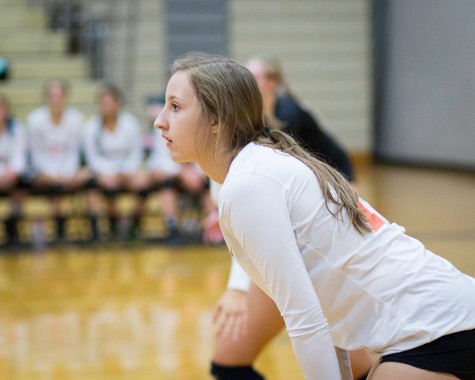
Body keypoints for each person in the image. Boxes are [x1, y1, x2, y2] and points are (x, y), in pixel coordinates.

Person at [154, 52, 475, 379]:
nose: (160, 120)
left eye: (176, 107)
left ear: (216, 119)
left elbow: (305, 319)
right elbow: (321, 312)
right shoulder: (249, 171)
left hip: (443, 329)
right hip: (443, 321)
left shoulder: (248, 184)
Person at [246, 53, 354, 181]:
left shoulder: (288, 111)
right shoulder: (262, 109)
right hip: (314, 171)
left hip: (336, 172)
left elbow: (282, 155)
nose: (247, 82)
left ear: (271, 83)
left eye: (254, 77)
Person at [145, 96, 218, 243]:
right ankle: (172, 228)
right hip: (173, 173)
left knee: (208, 180)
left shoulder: (201, 122)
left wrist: (198, 172)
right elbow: (162, 159)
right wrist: (182, 172)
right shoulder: (164, 123)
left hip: (196, 172)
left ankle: (214, 225)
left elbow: (207, 151)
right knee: (166, 181)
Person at [26, 79, 90, 243]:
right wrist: (52, 176)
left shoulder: (76, 119)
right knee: (50, 184)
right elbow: (36, 155)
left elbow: (74, 152)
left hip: (67, 172)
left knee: (87, 176)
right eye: (52, 96)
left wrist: (68, 174)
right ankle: (58, 226)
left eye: (59, 96)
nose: (56, 100)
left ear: (65, 98)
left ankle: (87, 228)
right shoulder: (34, 120)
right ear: (46, 98)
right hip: (42, 173)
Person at [83, 84, 148, 241]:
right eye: (103, 103)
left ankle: (134, 226)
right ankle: (107, 227)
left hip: (126, 172)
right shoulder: (91, 127)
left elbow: (135, 153)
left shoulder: (130, 124)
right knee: (91, 183)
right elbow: (91, 157)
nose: (106, 107)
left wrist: (124, 172)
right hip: (102, 173)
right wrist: (109, 174)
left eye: (110, 103)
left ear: (118, 104)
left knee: (143, 183)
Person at [0, 94, 27, 247]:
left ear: (7, 111)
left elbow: (20, 156)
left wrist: (11, 172)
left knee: (22, 184)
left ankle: (13, 223)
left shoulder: (17, 129)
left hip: (11, 176)